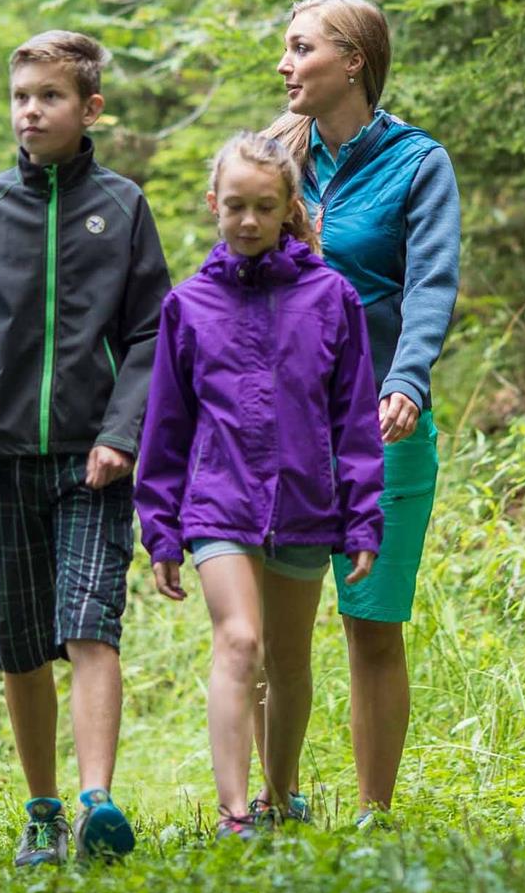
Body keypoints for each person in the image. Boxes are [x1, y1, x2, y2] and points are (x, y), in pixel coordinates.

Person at [0, 30, 171, 868]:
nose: (32, 110)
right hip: (3, 452)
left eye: (50, 97)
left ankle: (98, 800)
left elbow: (148, 336)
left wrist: (123, 433)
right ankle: (43, 810)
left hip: (95, 457)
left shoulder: (124, 206)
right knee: (23, 640)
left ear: (89, 107)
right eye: (22, 97)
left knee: (92, 624)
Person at [134, 132, 384, 841]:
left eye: (263, 207)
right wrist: (162, 529)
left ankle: (279, 797)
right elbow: (166, 427)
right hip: (219, 505)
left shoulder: (332, 299)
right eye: (235, 206)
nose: (247, 221)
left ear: (287, 210)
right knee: (239, 642)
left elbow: (355, 419)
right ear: (214, 205)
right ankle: (234, 813)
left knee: (289, 660)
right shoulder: (189, 306)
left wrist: (363, 519)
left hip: (305, 505)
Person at [269, 0, 461, 826]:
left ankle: (374, 817)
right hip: (281, 432)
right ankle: (276, 803)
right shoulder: (273, 162)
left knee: (372, 626)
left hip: (383, 426)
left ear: (354, 62)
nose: (284, 64)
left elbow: (430, 285)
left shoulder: (419, 165)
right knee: (277, 640)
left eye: (301, 48)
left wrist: (408, 379)